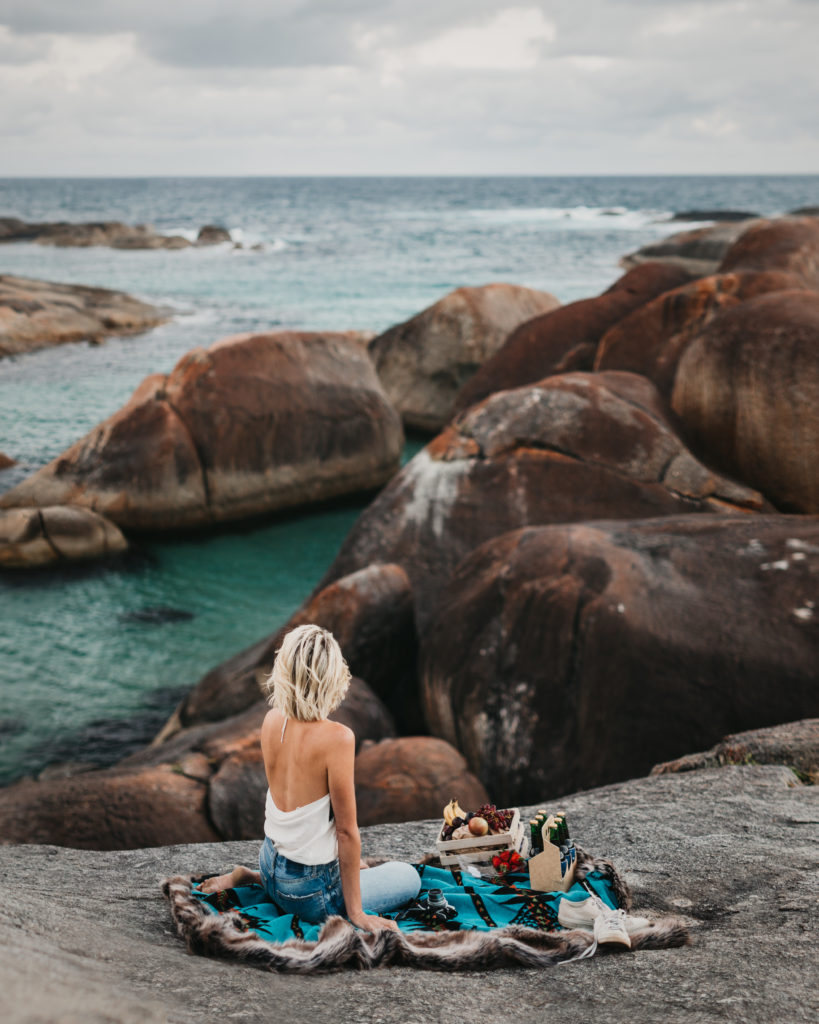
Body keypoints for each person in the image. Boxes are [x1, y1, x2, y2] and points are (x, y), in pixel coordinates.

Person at [200, 624, 421, 933]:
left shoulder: (271, 720)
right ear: (332, 677)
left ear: (284, 671)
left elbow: (299, 812)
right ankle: (272, 882)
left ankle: (250, 876)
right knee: (407, 876)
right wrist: (356, 913)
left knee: (357, 863)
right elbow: (346, 832)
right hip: (307, 894)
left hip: (270, 863)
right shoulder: (338, 738)